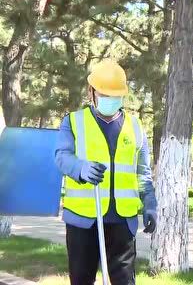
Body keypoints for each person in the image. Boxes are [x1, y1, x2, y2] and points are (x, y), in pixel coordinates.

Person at [55, 59, 157, 285]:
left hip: (122, 221)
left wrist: (149, 203)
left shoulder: (136, 126)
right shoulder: (73, 122)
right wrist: (81, 168)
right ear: (92, 92)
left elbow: (142, 173)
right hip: (83, 220)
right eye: (104, 94)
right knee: (81, 280)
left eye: (115, 95)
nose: (110, 100)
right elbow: (61, 157)